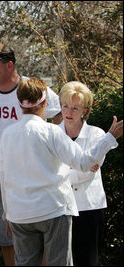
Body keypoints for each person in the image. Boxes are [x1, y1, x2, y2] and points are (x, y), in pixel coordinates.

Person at [0, 77, 122, 266]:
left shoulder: (7, 134)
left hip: (20, 213)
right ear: (45, 102)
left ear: (19, 102)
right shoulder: (52, 131)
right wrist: (109, 138)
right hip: (52, 209)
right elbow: (84, 163)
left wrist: (7, 213)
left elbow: (4, 177)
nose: (68, 111)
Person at [0, 43, 62, 266]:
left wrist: (53, 142)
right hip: (2, 177)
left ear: (10, 65)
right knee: (6, 237)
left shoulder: (31, 88)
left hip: (35, 176)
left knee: (40, 235)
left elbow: (61, 112)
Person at [58, 81, 109, 266]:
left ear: (85, 111)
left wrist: (64, 173)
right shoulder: (52, 134)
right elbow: (50, 171)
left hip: (90, 208)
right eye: (65, 106)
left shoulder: (97, 135)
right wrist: (81, 167)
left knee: (88, 260)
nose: (69, 112)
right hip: (61, 208)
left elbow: (88, 173)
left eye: (75, 108)